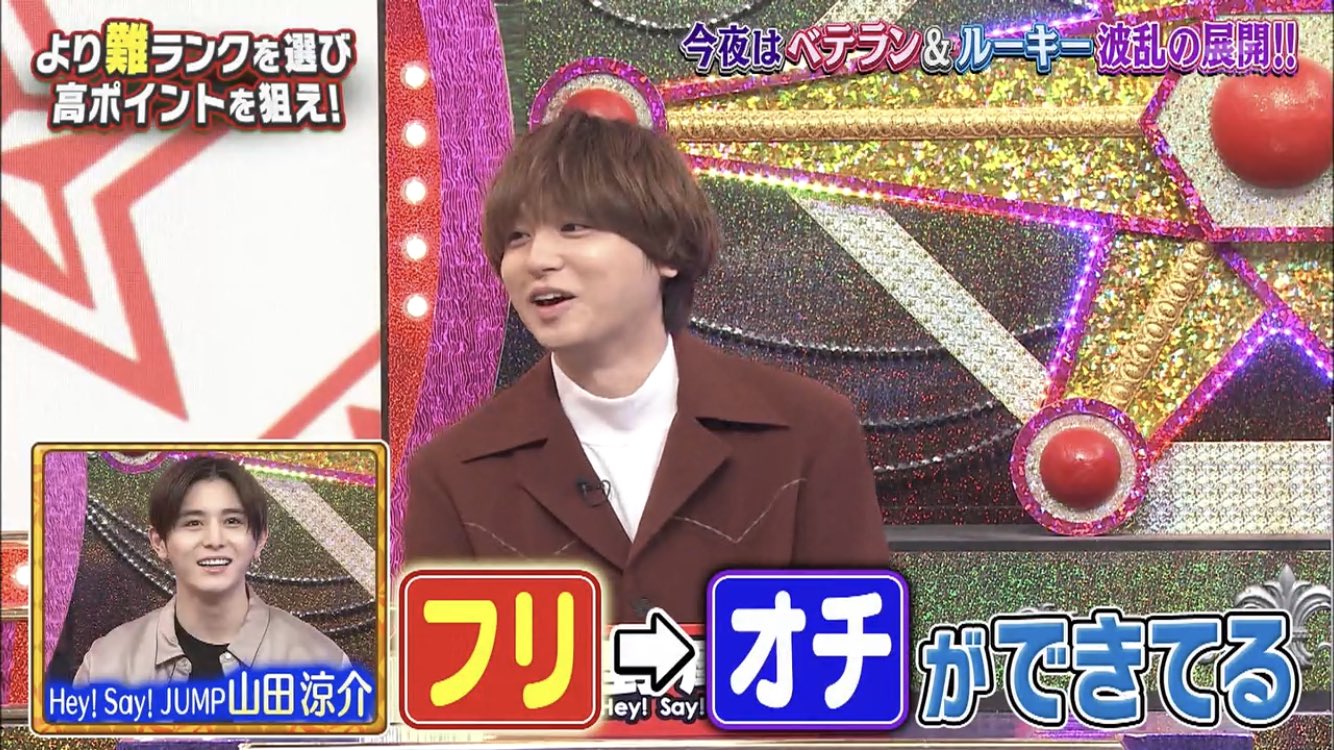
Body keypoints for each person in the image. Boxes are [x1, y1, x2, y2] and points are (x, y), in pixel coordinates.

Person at [403, 109, 889, 624]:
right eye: (517, 237)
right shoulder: (456, 473)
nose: (537, 259)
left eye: (573, 227)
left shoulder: (807, 432)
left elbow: (855, 650)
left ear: (665, 251)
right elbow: (445, 670)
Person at [74, 456, 350, 686]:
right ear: (159, 542)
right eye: (193, 523)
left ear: (260, 539)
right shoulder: (107, 665)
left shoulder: (322, 664)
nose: (214, 540)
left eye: (232, 521)